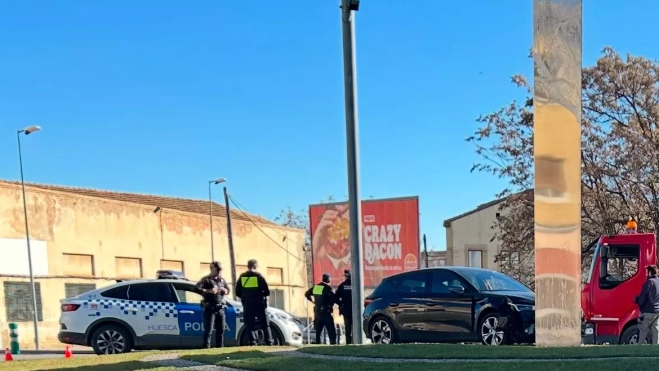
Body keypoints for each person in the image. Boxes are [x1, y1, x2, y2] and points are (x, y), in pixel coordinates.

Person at [235, 259, 274, 345]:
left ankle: (252, 342)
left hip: (248, 304)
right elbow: (267, 291)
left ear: (248, 266)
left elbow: (237, 292)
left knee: (249, 325)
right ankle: (269, 342)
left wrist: (245, 296)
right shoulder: (259, 277)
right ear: (255, 266)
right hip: (259, 304)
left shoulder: (242, 277)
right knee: (265, 324)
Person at [195, 261, 230, 348]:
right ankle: (206, 348)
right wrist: (209, 291)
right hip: (210, 308)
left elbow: (228, 290)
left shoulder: (221, 280)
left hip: (220, 308)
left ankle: (220, 348)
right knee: (208, 330)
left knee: (221, 330)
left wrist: (225, 291)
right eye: (217, 269)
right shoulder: (206, 280)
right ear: (212, 268)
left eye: (220, 270)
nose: (219, 271)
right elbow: (196, 288)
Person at [305, 273, 337, 345]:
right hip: (326, 311)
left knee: (318, 330)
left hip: (317, 312)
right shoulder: (328, 288)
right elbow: (333, 298)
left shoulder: (317, 287)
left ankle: (318, 342)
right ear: (328, 279)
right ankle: (333, 342)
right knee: (330, 328)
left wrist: (313, 301)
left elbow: (307, 294)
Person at [635, 265, 659, 344]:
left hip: (647, 312)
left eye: (646, 272)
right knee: (656, 333)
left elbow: (643, 298)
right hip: (657, 313)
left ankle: (639, 349)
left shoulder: (649, 283)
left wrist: (637, 301)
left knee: (642, 331)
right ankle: (655, 350)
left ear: (649, 273)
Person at [335, 270, 353, 344]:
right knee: (356, 327)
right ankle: (356, 341)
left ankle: (348, 342)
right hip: (355, 310)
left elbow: (335, 297)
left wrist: (340, 304)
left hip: (346, 310)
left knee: (348, 328)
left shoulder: (342, 285)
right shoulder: (356, 284)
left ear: (345, 276)